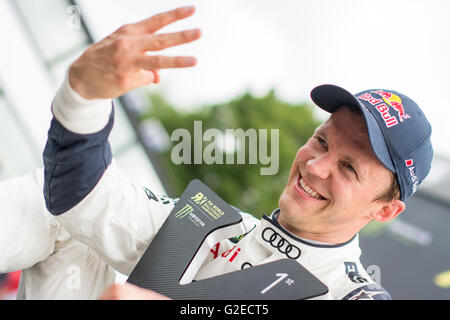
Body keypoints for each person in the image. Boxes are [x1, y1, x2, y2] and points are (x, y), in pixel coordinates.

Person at [40, 5, 433, 300]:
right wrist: (83, 96)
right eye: (322, 141)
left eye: (348, 167)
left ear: (384, 210)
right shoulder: (211, 225)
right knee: (48, 214)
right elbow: (84, 200)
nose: (316, 166)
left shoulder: (352, 294)